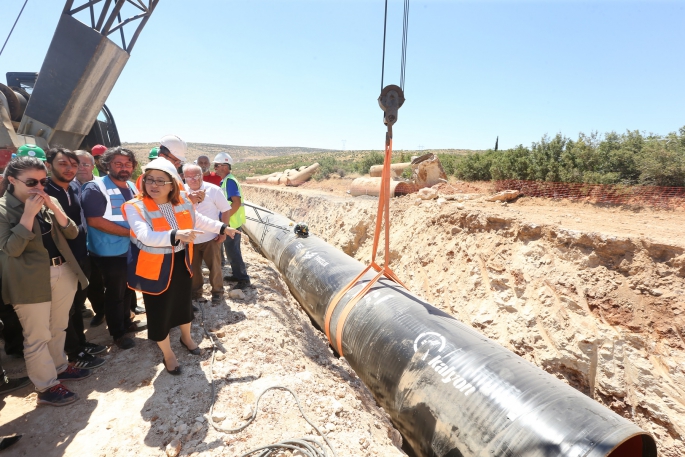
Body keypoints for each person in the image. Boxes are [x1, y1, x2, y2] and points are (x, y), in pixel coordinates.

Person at [123, 158, 234, 374]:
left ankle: (187, 338)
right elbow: (146, 236)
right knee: (159, 312)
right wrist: (175, 234)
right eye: (149, 180)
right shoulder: (135, 206)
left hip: (181, 261)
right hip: (156, 268)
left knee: (183, 304)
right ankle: (168, 354)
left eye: (160, 181)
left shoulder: (182, 199)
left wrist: (222, 227)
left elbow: (197, 220)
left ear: (173, 183)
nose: (153, 185)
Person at [0, 156, 90, 406]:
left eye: (42, 181)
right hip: (29, 281)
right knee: (37, 336)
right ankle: (46, 386)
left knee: (58, 327)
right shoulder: (3, 209)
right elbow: (12, 248)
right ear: (11, 180)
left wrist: (53, 206)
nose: (38, 187)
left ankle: (60, 367)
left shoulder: (49, 201)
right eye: (31, 182)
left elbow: (72, 231)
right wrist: (28, 214)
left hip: (62, 271)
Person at [45, 148, 106, 369]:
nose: (70, 168)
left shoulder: (74, 187)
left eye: (74, 164)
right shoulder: (44, 192)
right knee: (64, 310)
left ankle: (80, 343)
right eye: (63, 164)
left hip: (81, 255)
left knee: (77, 305)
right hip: (61, 261)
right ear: (49, 164)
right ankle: (73, 351)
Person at [81, 147, 146, 350]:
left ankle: (126, 322)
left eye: (128, 164)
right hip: (109, 251)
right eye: (118, 164)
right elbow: (95, 221)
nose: (124, 168)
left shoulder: (133, 187)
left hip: (130, 249)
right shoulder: (95, 188)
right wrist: (131, 233)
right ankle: (117, 334)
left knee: (127, 289)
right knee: (115, 292)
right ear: (106, 164)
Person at [182, 164, 233, 304]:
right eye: (189, 177)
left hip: (211, 237)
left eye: (196, 176)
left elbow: (225, 210)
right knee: (194, 269)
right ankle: (196, 293)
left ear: (202, 175)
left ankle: (217, 292)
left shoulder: (214, 190)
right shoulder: (181, 192)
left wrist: (223, 231)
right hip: (190, 239)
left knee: (215, 267)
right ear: (184, 177)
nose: (192, 180)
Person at [74, 150, 107, 327]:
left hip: (105, 241)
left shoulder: (103, 184)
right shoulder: (68, 187)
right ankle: (100, 311)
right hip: (82, 244)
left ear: (93, 166)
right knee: (92, 281)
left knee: (114, 278)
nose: (81, 168)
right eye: (77, 164)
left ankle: (129, 308)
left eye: (85, 164)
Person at [213, 152, 250, 290]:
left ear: (224, 166)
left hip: (231, 223)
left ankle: (243, 279)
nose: (215, 168)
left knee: (233, 251)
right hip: (232, 222)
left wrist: (226, 222)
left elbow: (236, 202)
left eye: (216, 165)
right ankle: (236, 275)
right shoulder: (226, 181)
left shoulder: (230, 181)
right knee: (231, 251)